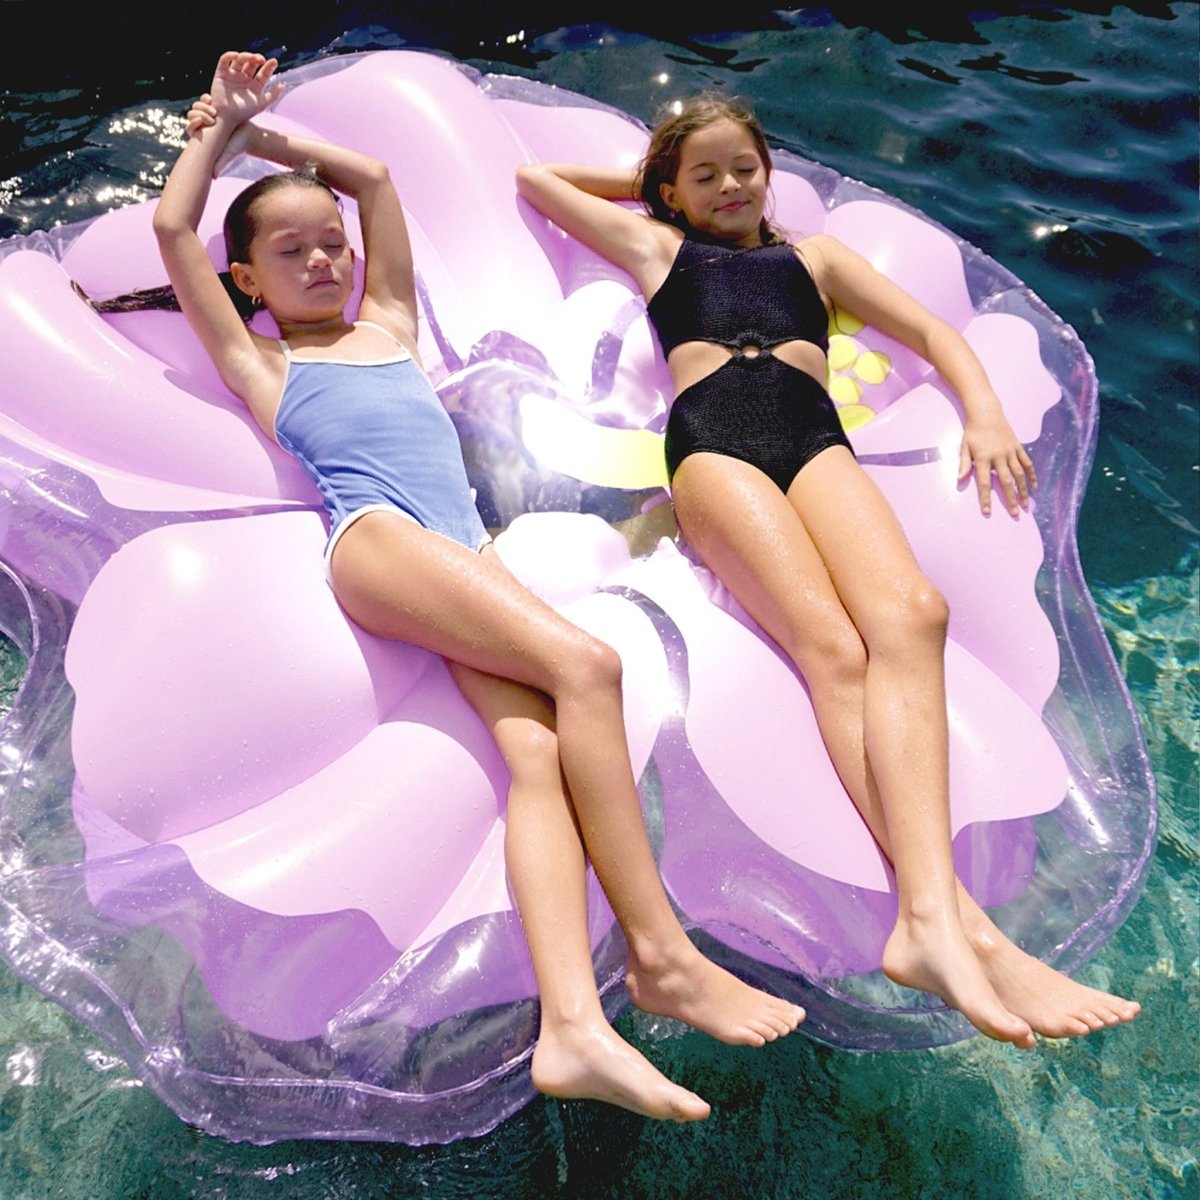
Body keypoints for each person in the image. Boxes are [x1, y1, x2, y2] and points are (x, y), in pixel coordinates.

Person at [143, 52, 804, 1123]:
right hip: (380, 542)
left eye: (330, 244)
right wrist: (215, 133)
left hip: (464, 551)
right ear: (249, 281)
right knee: (589, 667)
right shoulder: (265, 363)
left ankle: (571, 1029)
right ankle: (662, 955)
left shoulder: (388, 325)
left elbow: (374, 179)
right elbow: (175, 229)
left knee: (537, 754)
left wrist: (263, 132)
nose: (321, 259)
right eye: (289, 252)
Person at [516, 93, 1141, 1044]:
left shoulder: (816, 259)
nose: (730, 186)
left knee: (915, 614)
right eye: (705, 175)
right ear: (671, 193)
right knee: (833, 651)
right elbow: (538, 180)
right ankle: (956, 927)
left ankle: (935, 919)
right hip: (716, 444)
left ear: (770, 172)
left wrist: (982, 412)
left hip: (814, 438)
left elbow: (936, 336)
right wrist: (650, 186)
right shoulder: (659, 248)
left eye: (745, 167)